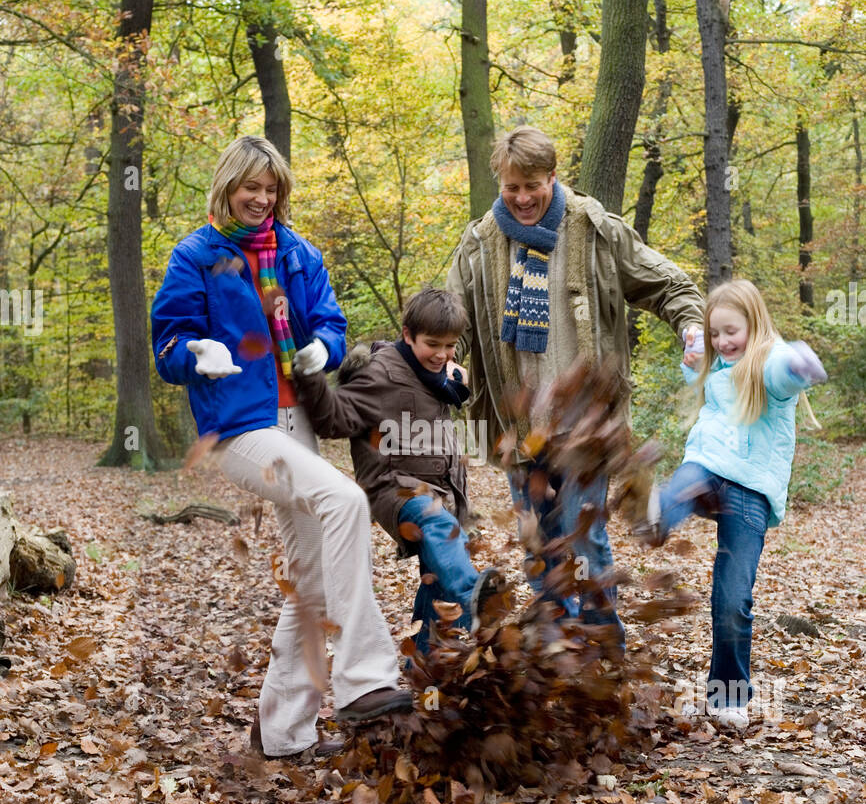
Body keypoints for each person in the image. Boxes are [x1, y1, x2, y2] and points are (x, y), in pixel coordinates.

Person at [150, 135, 411, 759]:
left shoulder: (296, 252)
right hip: (239, 429)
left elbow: (329, 317)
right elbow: (166, 347)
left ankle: (281, 733)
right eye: (251, 188)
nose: (262, 200)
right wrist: (194, 354)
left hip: (299, 422)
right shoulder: (196, 256)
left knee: (311, 581)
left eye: (272, 190)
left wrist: (323, 343)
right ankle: (363, 675)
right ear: (227, 186)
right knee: (346, 501)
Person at [447, 125, 705, 647]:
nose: (522, 198)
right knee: (539, 549)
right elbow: (451, 317)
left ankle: (603, 652)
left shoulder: (593, 229)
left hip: (588, 430)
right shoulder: (480, 243)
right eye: (511, 187)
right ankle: (554, 655)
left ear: (553, 176)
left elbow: (669, 283)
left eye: (532, 186)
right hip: (520, 431)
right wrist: (447, 358)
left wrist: (692, 326)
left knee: (587, 544)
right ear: (500, 182)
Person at [640, 279, 827, 732]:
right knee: (686, 479)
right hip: (707, 467)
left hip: (749, 491)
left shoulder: (766, 364)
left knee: (732, 598)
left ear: (755, 325)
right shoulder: (717, 361)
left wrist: (801, 363)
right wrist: (692, 352)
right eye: (715, 333)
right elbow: (701, 364)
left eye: (732, 332)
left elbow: (782, 371)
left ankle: (728, 694)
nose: (723, 342)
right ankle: (659, 513)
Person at [293, 287, 505, 653]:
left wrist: (451, 379)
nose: (441, 354)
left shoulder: (435, 375)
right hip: (396, 488)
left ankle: (423, 664)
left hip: (439, 490)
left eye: (450, 345)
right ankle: (473, 597)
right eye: (432, 344)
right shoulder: (381, 374)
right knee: (441, 527)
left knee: (436, 584)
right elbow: (332, 420)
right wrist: (310, 375)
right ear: (407, 334)